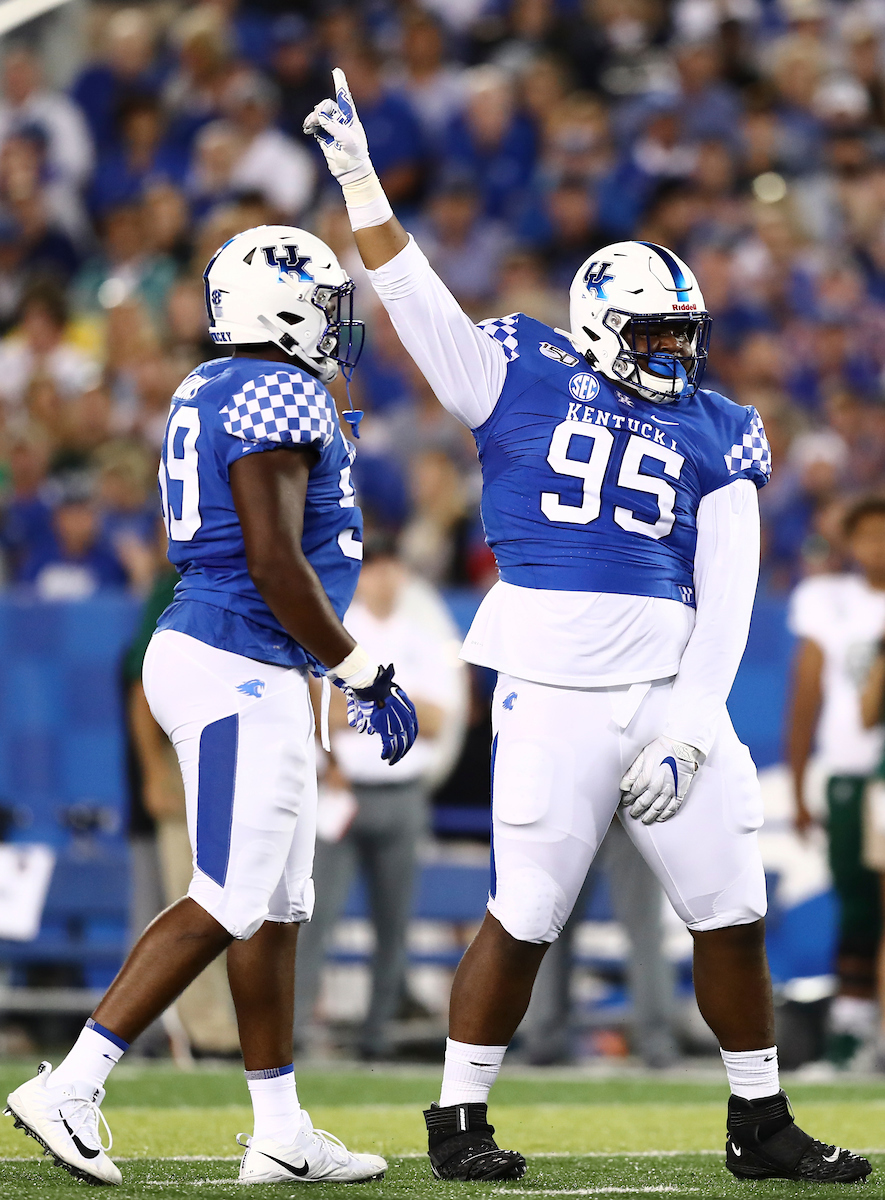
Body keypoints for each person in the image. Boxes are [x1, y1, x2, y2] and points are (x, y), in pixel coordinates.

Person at [305, 70, 872, 1186]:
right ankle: (458, 1116)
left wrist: (693, 728)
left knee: (734, 909)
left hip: (668, 691)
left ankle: (758, 1120)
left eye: (686, 335)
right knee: (523, 915)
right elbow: (417, 304)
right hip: (550, 695)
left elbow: (732, 591)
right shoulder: (517, 365)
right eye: (658, 336)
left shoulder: (721, 426)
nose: (679, 355)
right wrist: (366, 183)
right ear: (603, 330)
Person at [5, 221, 418, 1186]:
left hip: (247, 659)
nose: (331, 324)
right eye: (320, 304)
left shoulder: (214, 384)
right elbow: (274, 561)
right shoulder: (273, 388)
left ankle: (278, 1125)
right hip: (240, 656)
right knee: (228, 895)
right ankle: (72, 1083)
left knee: (275, 906)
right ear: (275, 308)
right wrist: (358, 668)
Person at [294, 532, 467, 1059]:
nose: (383, 578)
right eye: (374, 567)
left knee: (395, 922)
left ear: (403, 575)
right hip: (343, 790)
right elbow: (318, 713)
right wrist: (396, 708)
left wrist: (362, 708)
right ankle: (294, 1030)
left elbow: (440, 721)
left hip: (403, 793)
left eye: (391, 567)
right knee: (313, 917)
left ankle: (378, 1034)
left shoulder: (422, 634)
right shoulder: (340, 632)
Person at [788, 497, 885, 1066]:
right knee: (856, 902)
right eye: (867, 535)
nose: (877, 546)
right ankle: (853, 1026)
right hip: (852, 769)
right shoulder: (829, 602)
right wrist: (800, 783)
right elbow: (806, 697)